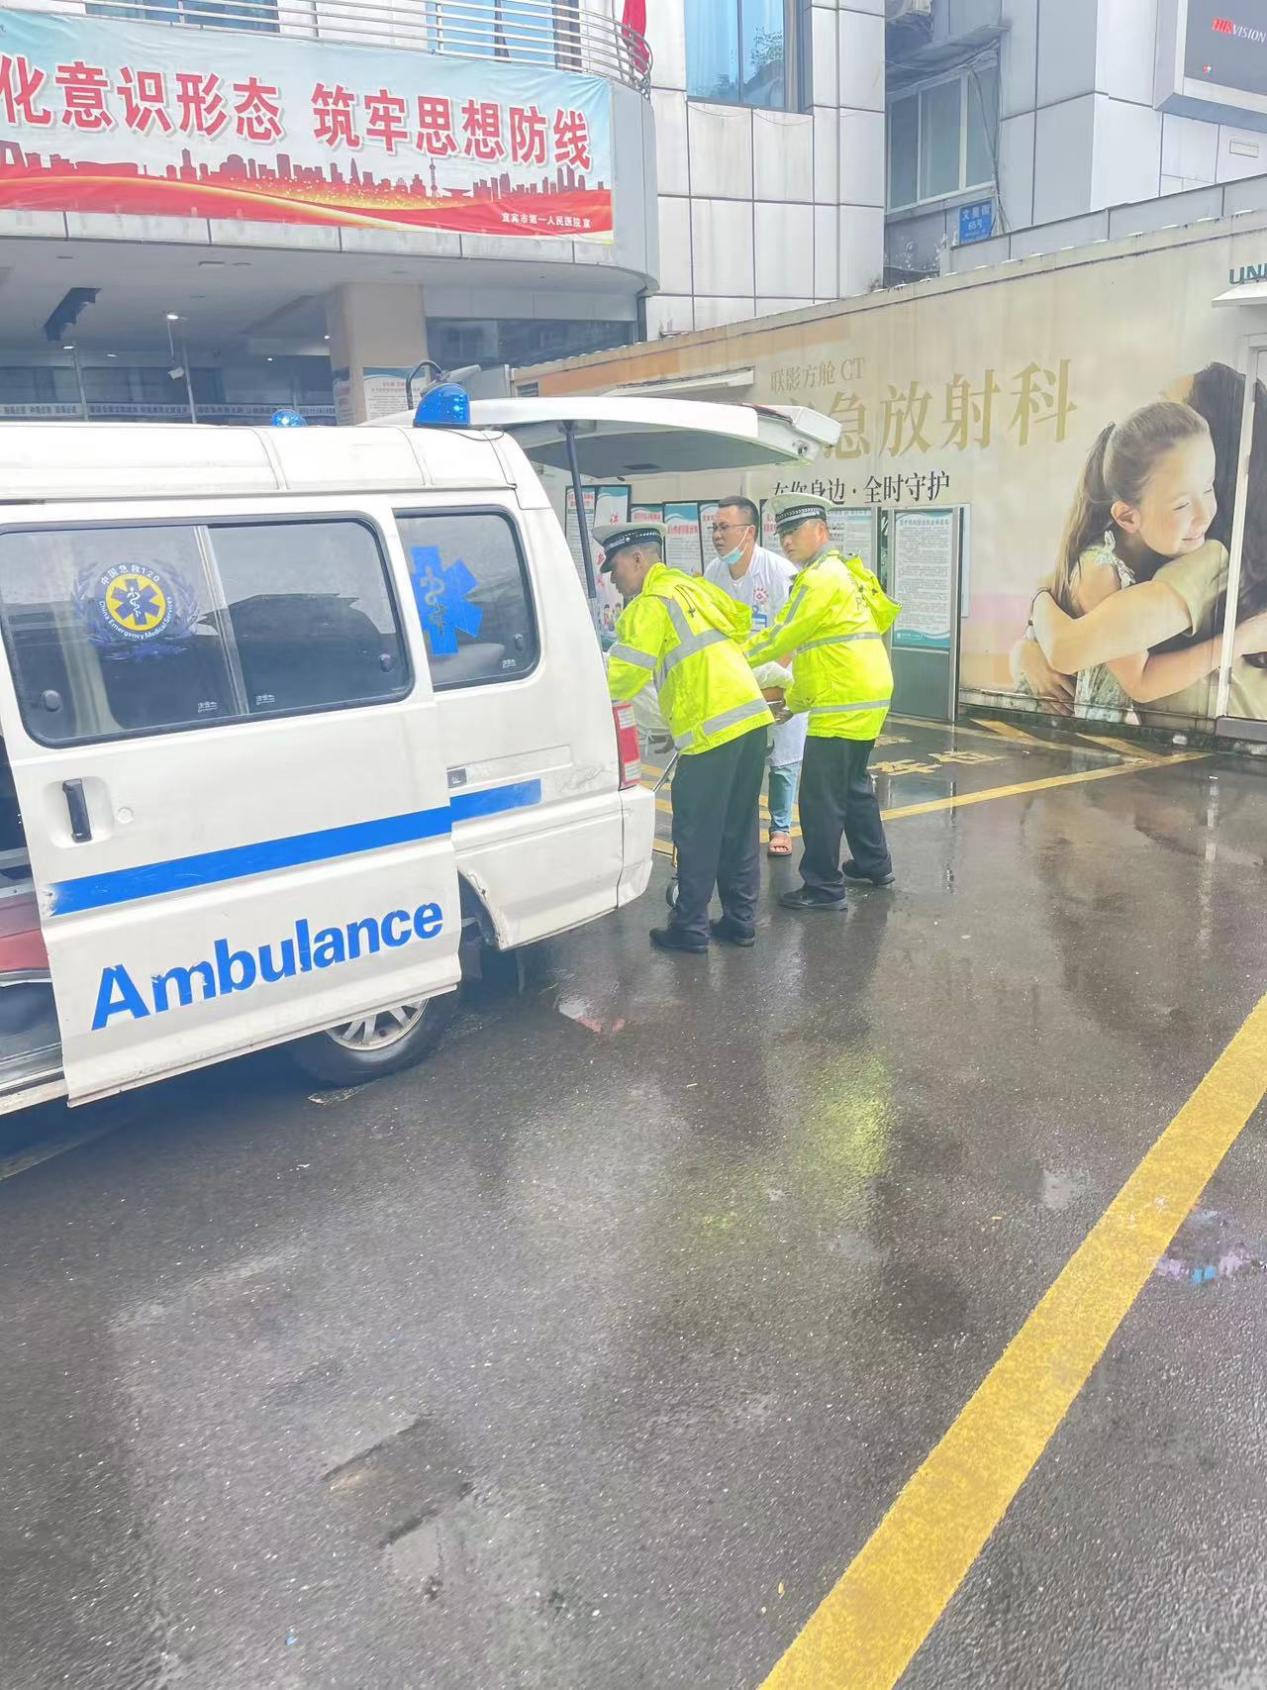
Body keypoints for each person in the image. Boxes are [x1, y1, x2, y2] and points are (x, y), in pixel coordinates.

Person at [1025, 399, 1267, 719]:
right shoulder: (1102, 567)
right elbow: (1081, 657)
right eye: (1181, 505)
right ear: (1127, 517)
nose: (1204, 514)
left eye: (1208, 489)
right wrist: (1241, 640)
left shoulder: (1166, 550)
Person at [602, 520, 774, 953]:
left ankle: (690, 927)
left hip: (711, 729)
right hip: (749, 720)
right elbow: (737, 631)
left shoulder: (650, 603)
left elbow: (621, 677)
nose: (613, 577)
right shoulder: (692, 589)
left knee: (696, 830)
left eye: (616, 565)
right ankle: (740, 921)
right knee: (738, 827)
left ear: (639, 559)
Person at [744, 496, 896, 911]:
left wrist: (731, 657)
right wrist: (796, 699)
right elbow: (817, 653)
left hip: (843, 699)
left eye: (795, 532)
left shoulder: (818, 579)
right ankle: (873, 863)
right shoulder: (841, 574)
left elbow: (783, 636)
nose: (787, 541)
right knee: (853, 785)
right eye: (782, 534)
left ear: (821, 532)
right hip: (867, 692)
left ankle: (823, 887)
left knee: (819, 797)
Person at [704, 495, 807, 856]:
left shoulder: (779, 572)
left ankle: (781, 827)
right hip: (736, 680)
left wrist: (773, 684)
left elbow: (791, 634)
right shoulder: (714, 573)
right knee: (741, 755)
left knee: (784, 754)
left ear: (748, 532)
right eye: (714, 527)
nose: (717, 535)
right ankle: (738, 823)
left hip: (780, 677)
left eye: (724, 527)